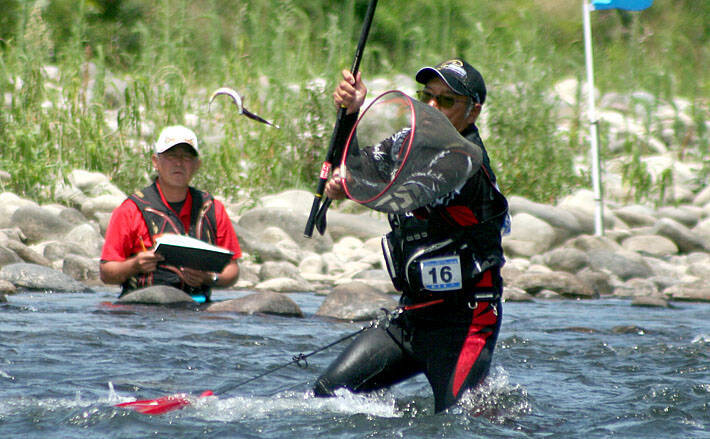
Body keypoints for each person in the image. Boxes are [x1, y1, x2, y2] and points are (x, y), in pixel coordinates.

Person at [313, 59, 510, 413]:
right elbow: (356, 165)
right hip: (412, 316)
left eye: (447, 101)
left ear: (473, 111)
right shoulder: (405, 142)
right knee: (329, 394)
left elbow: (407, 189)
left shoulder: (467, 160)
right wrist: (350, 114)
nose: (432, 107)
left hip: (466, 320)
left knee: (458, 420)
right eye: (426, 97)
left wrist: (353, 186)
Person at [100, 125, 241, 301]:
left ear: (197, 165)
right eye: (171, 156)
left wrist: (209, 278)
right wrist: (134, 265)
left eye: (186, 157)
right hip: (141, 310)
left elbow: (232, 269)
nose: (179, 163)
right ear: (155, 162)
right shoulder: (130, 210)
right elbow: (106, 272)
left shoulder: (213, 209)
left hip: (197, 309)